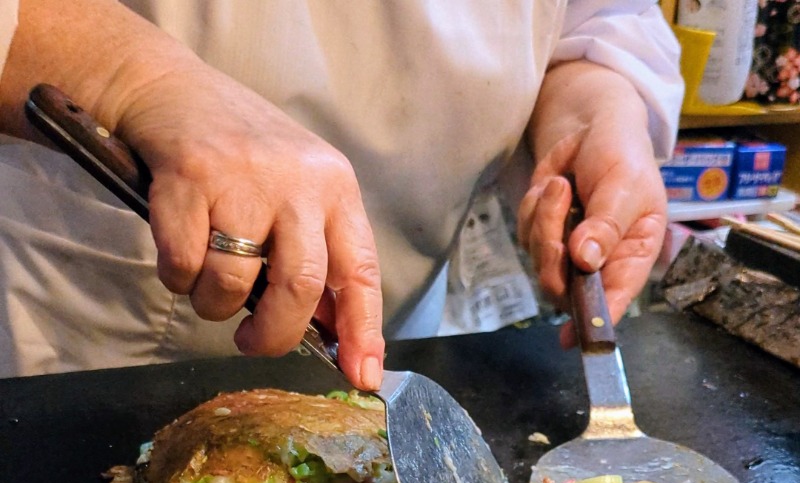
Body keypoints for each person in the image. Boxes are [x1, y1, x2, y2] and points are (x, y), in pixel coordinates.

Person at [0, 0, 682, 389]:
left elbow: (592, 16)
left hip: (393, 350)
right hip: (82, 351)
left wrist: (596, 109)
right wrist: (134, 80)